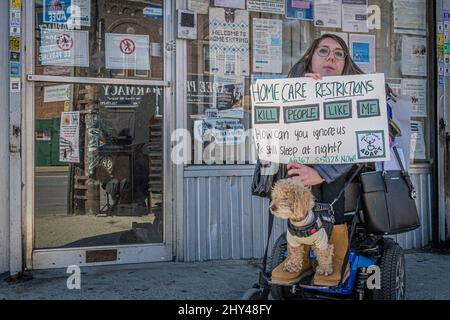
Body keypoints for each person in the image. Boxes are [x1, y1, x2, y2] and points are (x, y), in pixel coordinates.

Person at [271, 34, 366, 287]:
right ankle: (298, 253)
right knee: (295, 172)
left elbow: (366, 143)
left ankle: (334, 251)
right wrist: (302, 95)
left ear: (345, 63)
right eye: (323, 51)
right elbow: (272, 132)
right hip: (302, 165)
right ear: (311, 58)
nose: (331, 57)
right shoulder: (292, 87)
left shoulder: (360, 90)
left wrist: (323, 172)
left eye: (338, 53)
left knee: (336, 181)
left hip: (341, 174)